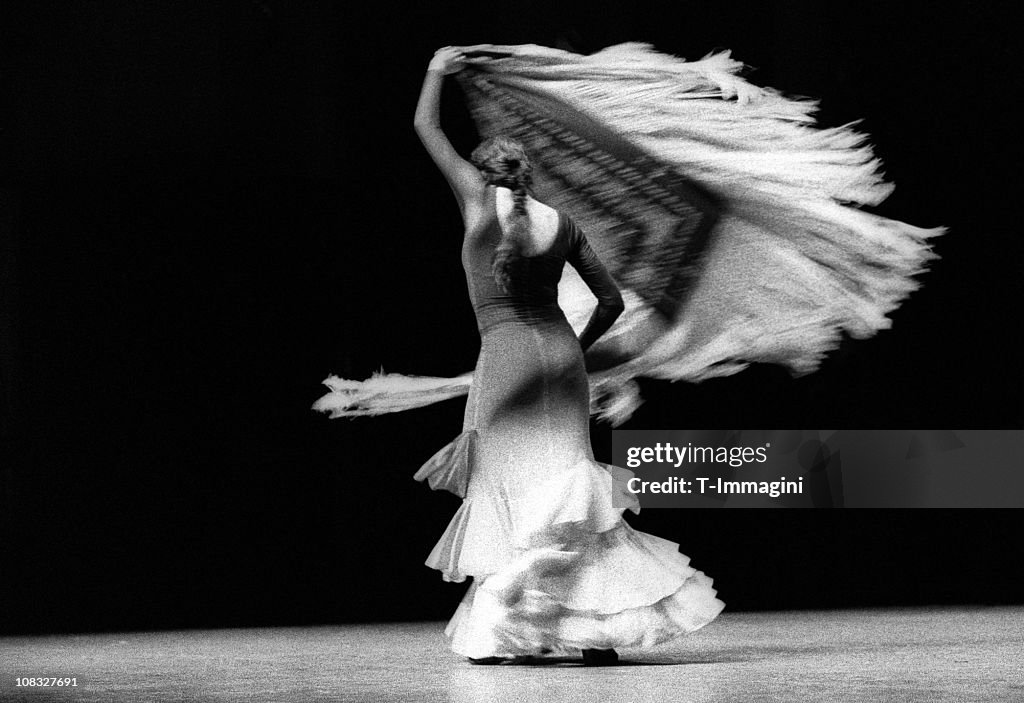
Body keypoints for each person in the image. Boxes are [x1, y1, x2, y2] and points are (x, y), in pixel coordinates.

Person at [411, 46, 724, 665]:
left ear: (485, 171)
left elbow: (425, 127)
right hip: (562, 362)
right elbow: (608, 304)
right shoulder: (564, 221)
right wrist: (573, 354)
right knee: (573, 490)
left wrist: (438, 69)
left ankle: (516, 632)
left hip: (505, 364)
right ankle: (597, 633)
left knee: (512, 489)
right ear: (530, 174)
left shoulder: (476, 201)